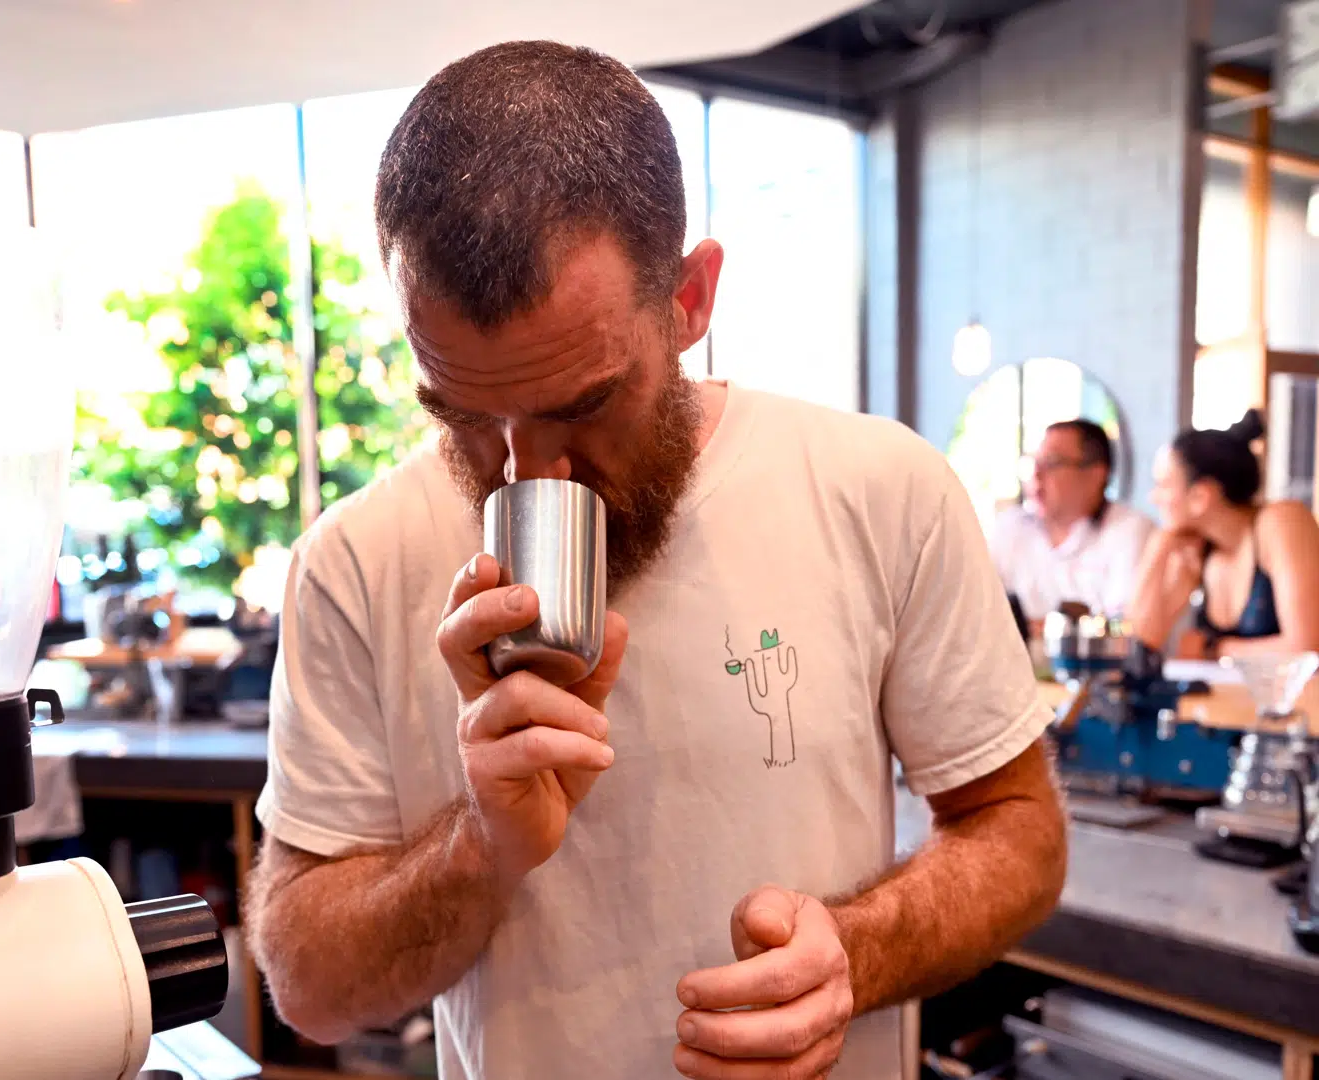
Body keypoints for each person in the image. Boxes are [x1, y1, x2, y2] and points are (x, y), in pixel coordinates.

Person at [245, 41, 1065, 1080]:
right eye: (463, 413)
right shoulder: (355, 562)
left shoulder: (878, 488)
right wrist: (479, 845)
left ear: (689, 298)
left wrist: (856, 952)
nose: (523, 473)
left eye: (582, 404)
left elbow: (1018, 830)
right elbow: (310, 991)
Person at [1129, 409, 1319, 660]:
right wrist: (1158, 548)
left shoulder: (1280, 522)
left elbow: (1307, 650)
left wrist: (1215, 648)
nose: (1153, 498)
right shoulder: (1199, 547)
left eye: (1163, 485)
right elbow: (1142, 641)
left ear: (1201, 496)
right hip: (1237, 699)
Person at [989, 419, 1154, 628]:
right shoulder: (1011, 528)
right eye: (1034, 462)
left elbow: (1124, 627)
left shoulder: (1132, 531)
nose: (1036, 475)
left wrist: (1026, 629)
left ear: (1096, 474)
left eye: (1051, 463)